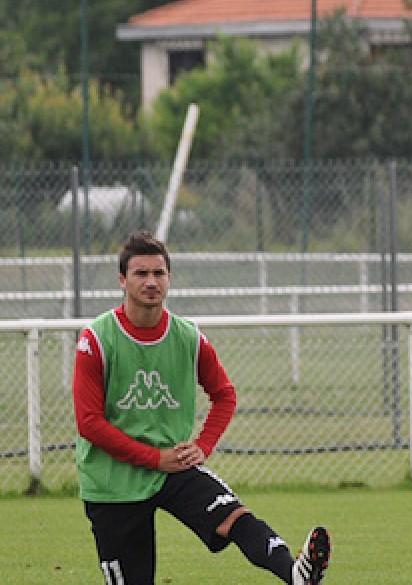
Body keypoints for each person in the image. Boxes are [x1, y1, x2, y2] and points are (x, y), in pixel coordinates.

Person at [72, 230, 332, 585]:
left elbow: (225, 395)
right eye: (141, 274)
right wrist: (153, 457)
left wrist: (203, 446)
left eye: (159, 273)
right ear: (122, 280)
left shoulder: (189, 337)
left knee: (234, 517)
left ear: (169, 278)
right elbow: (88, 422)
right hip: (112, 481)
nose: (151, 282)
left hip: (173, 467)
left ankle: (296, 573)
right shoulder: (97, 339)